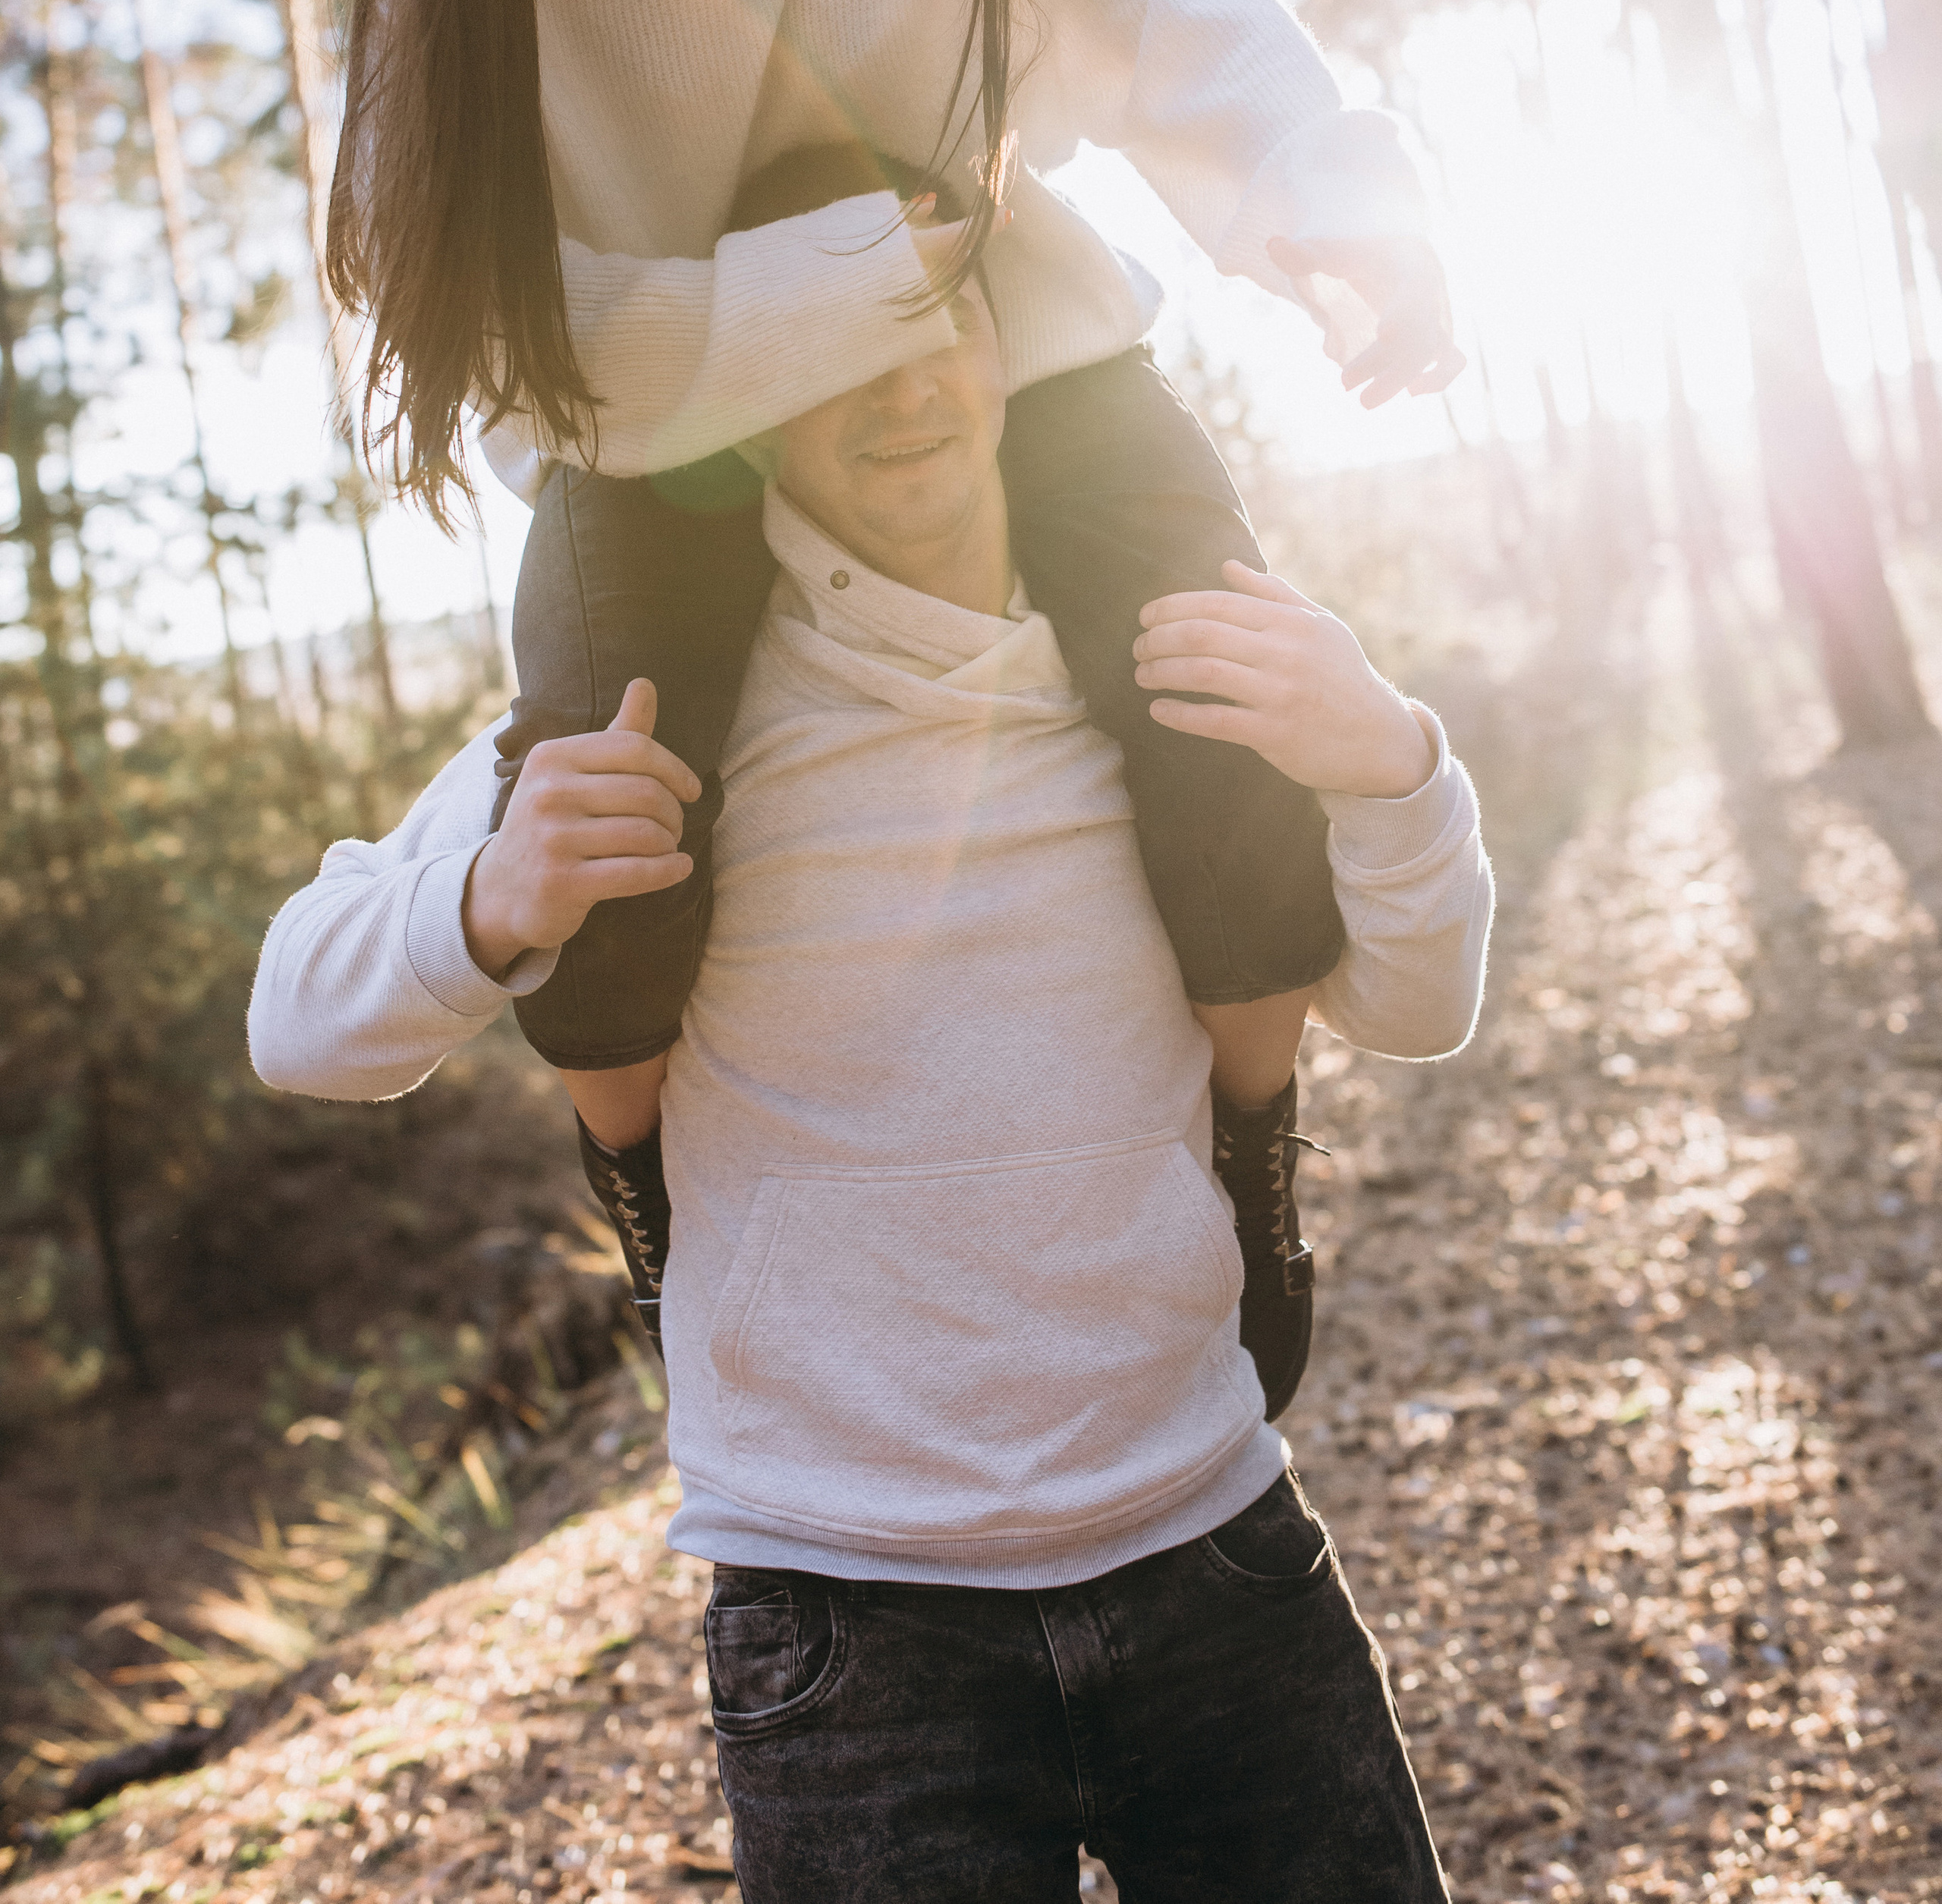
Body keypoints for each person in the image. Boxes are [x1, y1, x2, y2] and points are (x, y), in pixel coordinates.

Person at [323, 0, 1465, 1268]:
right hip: (658, 419)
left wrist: (1337, 204)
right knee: (603, 808)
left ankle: (1254, 1149)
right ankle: (655, 1210)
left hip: (1003, 351)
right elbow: (442, 289)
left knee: (1222, 687)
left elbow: (1173, 7)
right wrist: (813, 292)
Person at [255, 140, 1491, 1904]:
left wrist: (1394, 764)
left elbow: (1422, 1006)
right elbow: (293, 1020)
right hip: (845, 1633)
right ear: (748, 394)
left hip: (1213, 1547)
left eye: (930, 319)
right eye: (828, 347)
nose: (901, 387)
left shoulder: (1172, 671)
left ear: (1000, 338)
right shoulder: (651, 714)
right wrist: (486, 901)